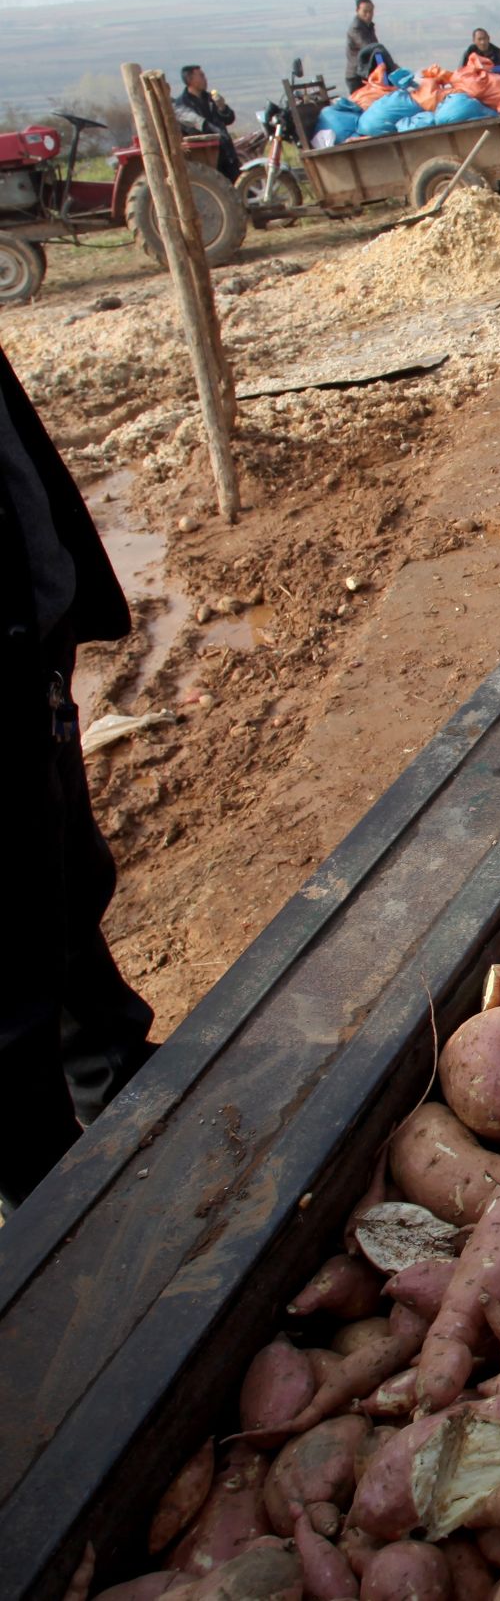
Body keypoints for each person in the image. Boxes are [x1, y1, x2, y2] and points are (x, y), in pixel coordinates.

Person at [0, 348, 157, 1209]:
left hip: (31, 639)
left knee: (65, 873)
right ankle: (49, 1197)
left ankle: (118, 1075)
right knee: (8, 980)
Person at [172, 65, 240, 181]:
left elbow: (229, 119)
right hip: (204, 159)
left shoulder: (210, 99)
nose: (205, 79)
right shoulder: (181, 106)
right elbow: (198, 126)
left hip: (226, 154)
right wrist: (218, 134)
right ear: (190, 80)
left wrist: (222, 107)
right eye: (201, 76)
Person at [346, 0, 378, 82]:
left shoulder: (369, 27)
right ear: (357, 11)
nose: (368, 14)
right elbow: (368, 47)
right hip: (356, 76)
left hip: (367, 73)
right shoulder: (356, 28)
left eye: (371, 11)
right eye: (365, 11)